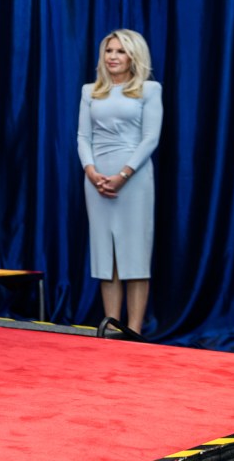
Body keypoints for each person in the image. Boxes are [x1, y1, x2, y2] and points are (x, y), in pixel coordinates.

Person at [76, 28, 163, 335]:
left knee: (135, 256)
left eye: (120, 51)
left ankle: (134, 331)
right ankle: (111, 328)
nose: (113, 56)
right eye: (109, 50)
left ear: (133, 56)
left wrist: (124, 174)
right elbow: (83, 137)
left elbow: (151, 138)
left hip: (134, 180)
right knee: (105, 255)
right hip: (97, 180)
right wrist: (91, 170)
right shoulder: (91, 91)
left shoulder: (149, 90)